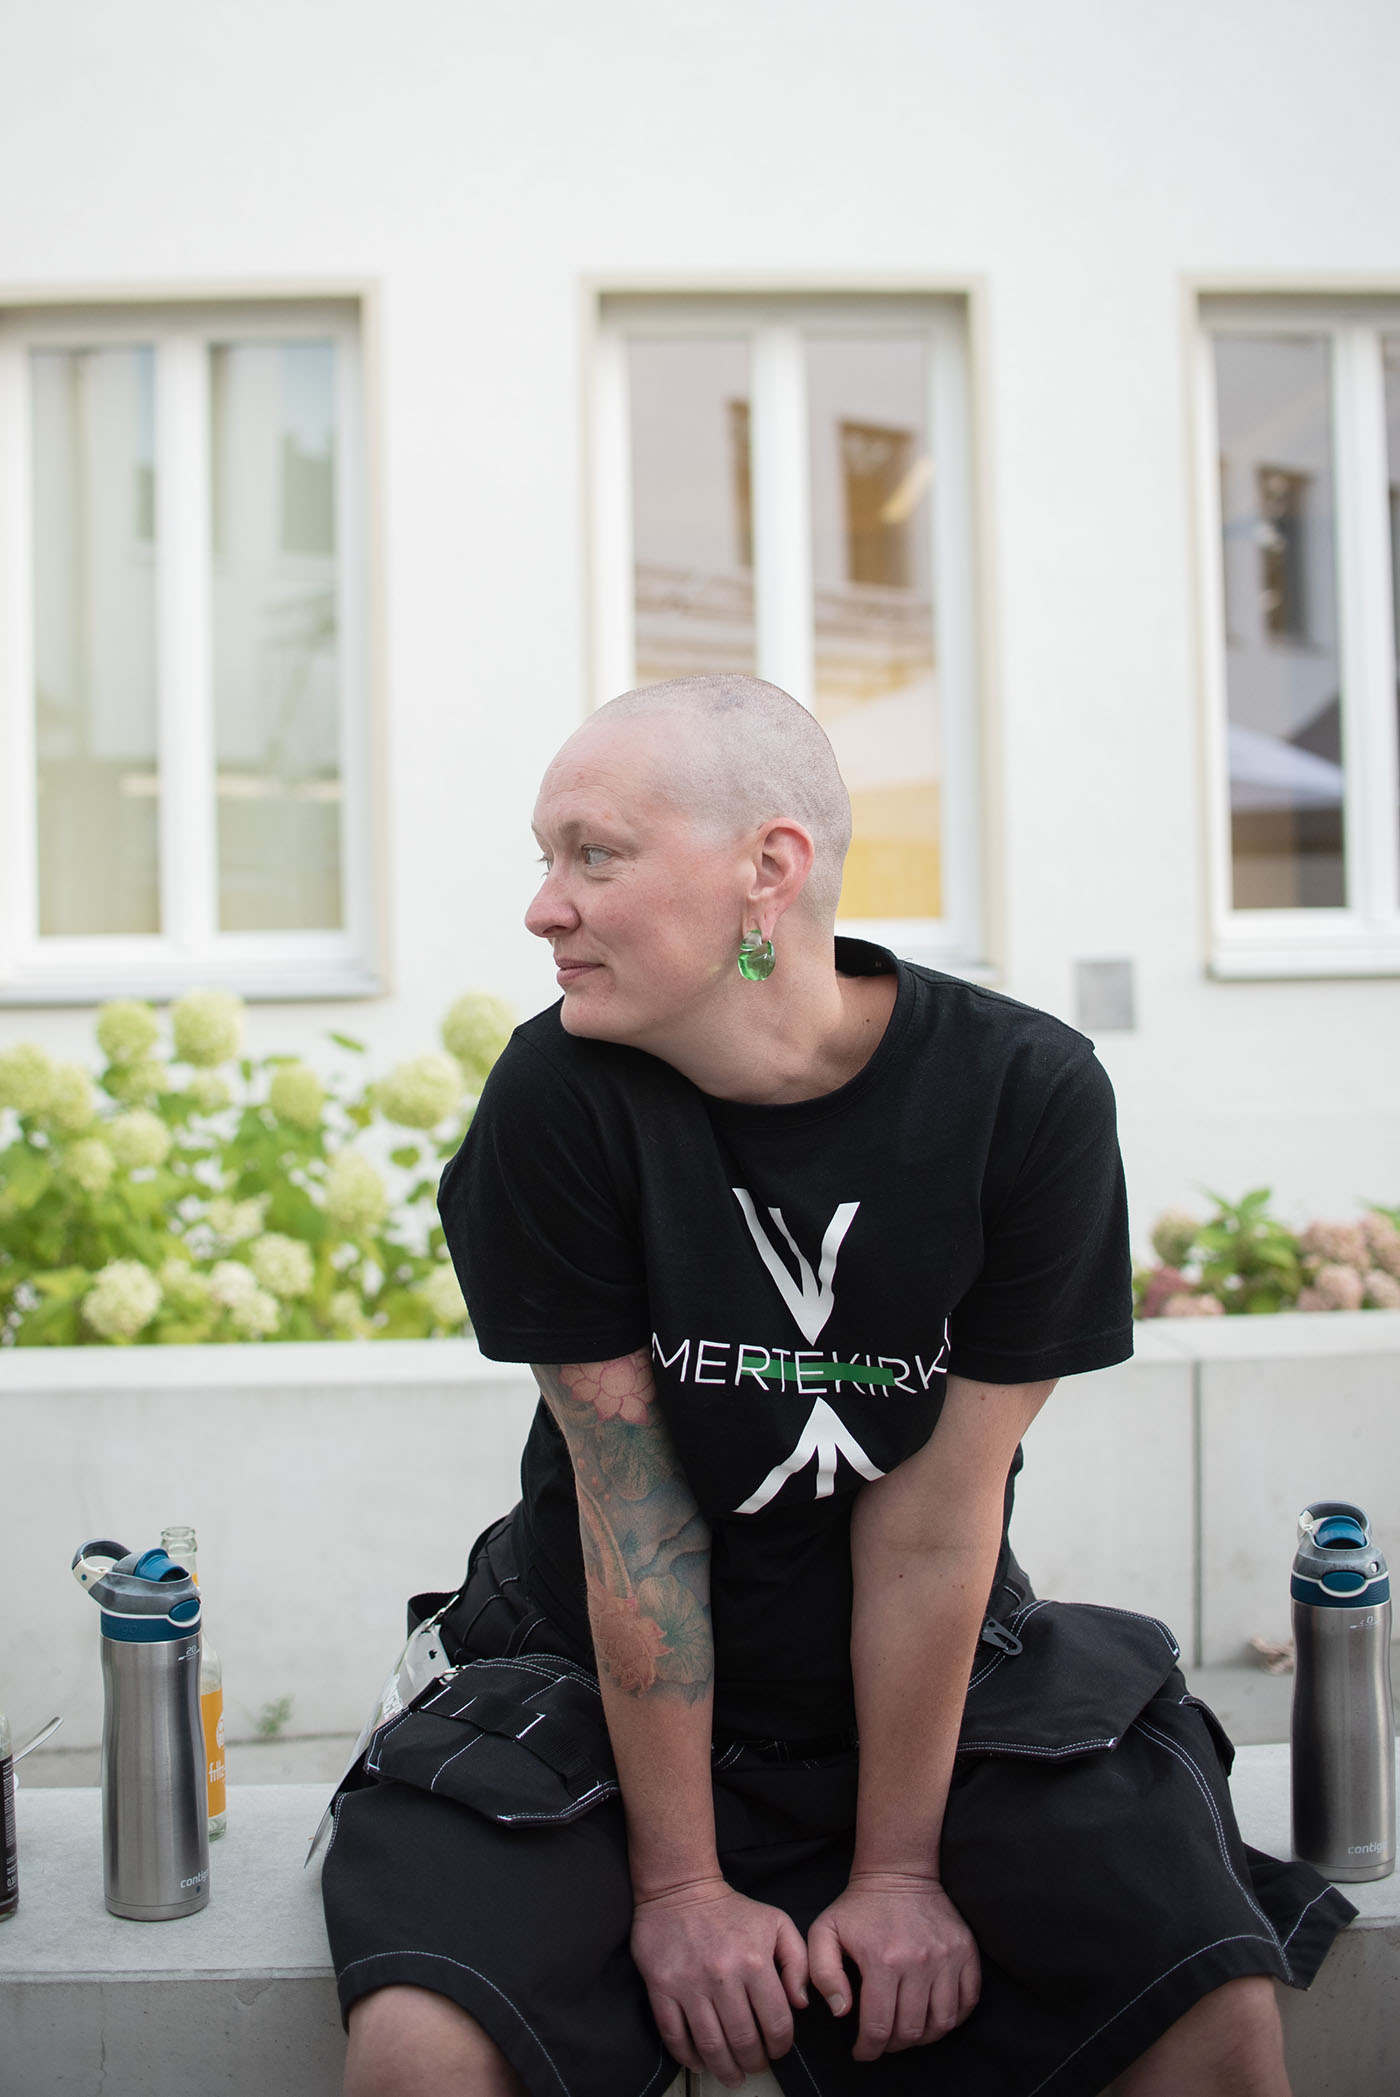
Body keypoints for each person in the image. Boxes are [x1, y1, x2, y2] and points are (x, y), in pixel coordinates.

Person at [322, 674, 1353, 2097]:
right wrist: (684, 1887)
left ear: (772, 867)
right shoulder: (560, 1096)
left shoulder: (1024, 1095)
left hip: (932, 1682)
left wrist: (897, 1871)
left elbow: (933, 1525)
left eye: (594, 855)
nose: (544, 908)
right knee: (419, 2043)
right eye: (547, 858)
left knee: (1214, 2014)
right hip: (585, 1673)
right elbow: (639, 1525)